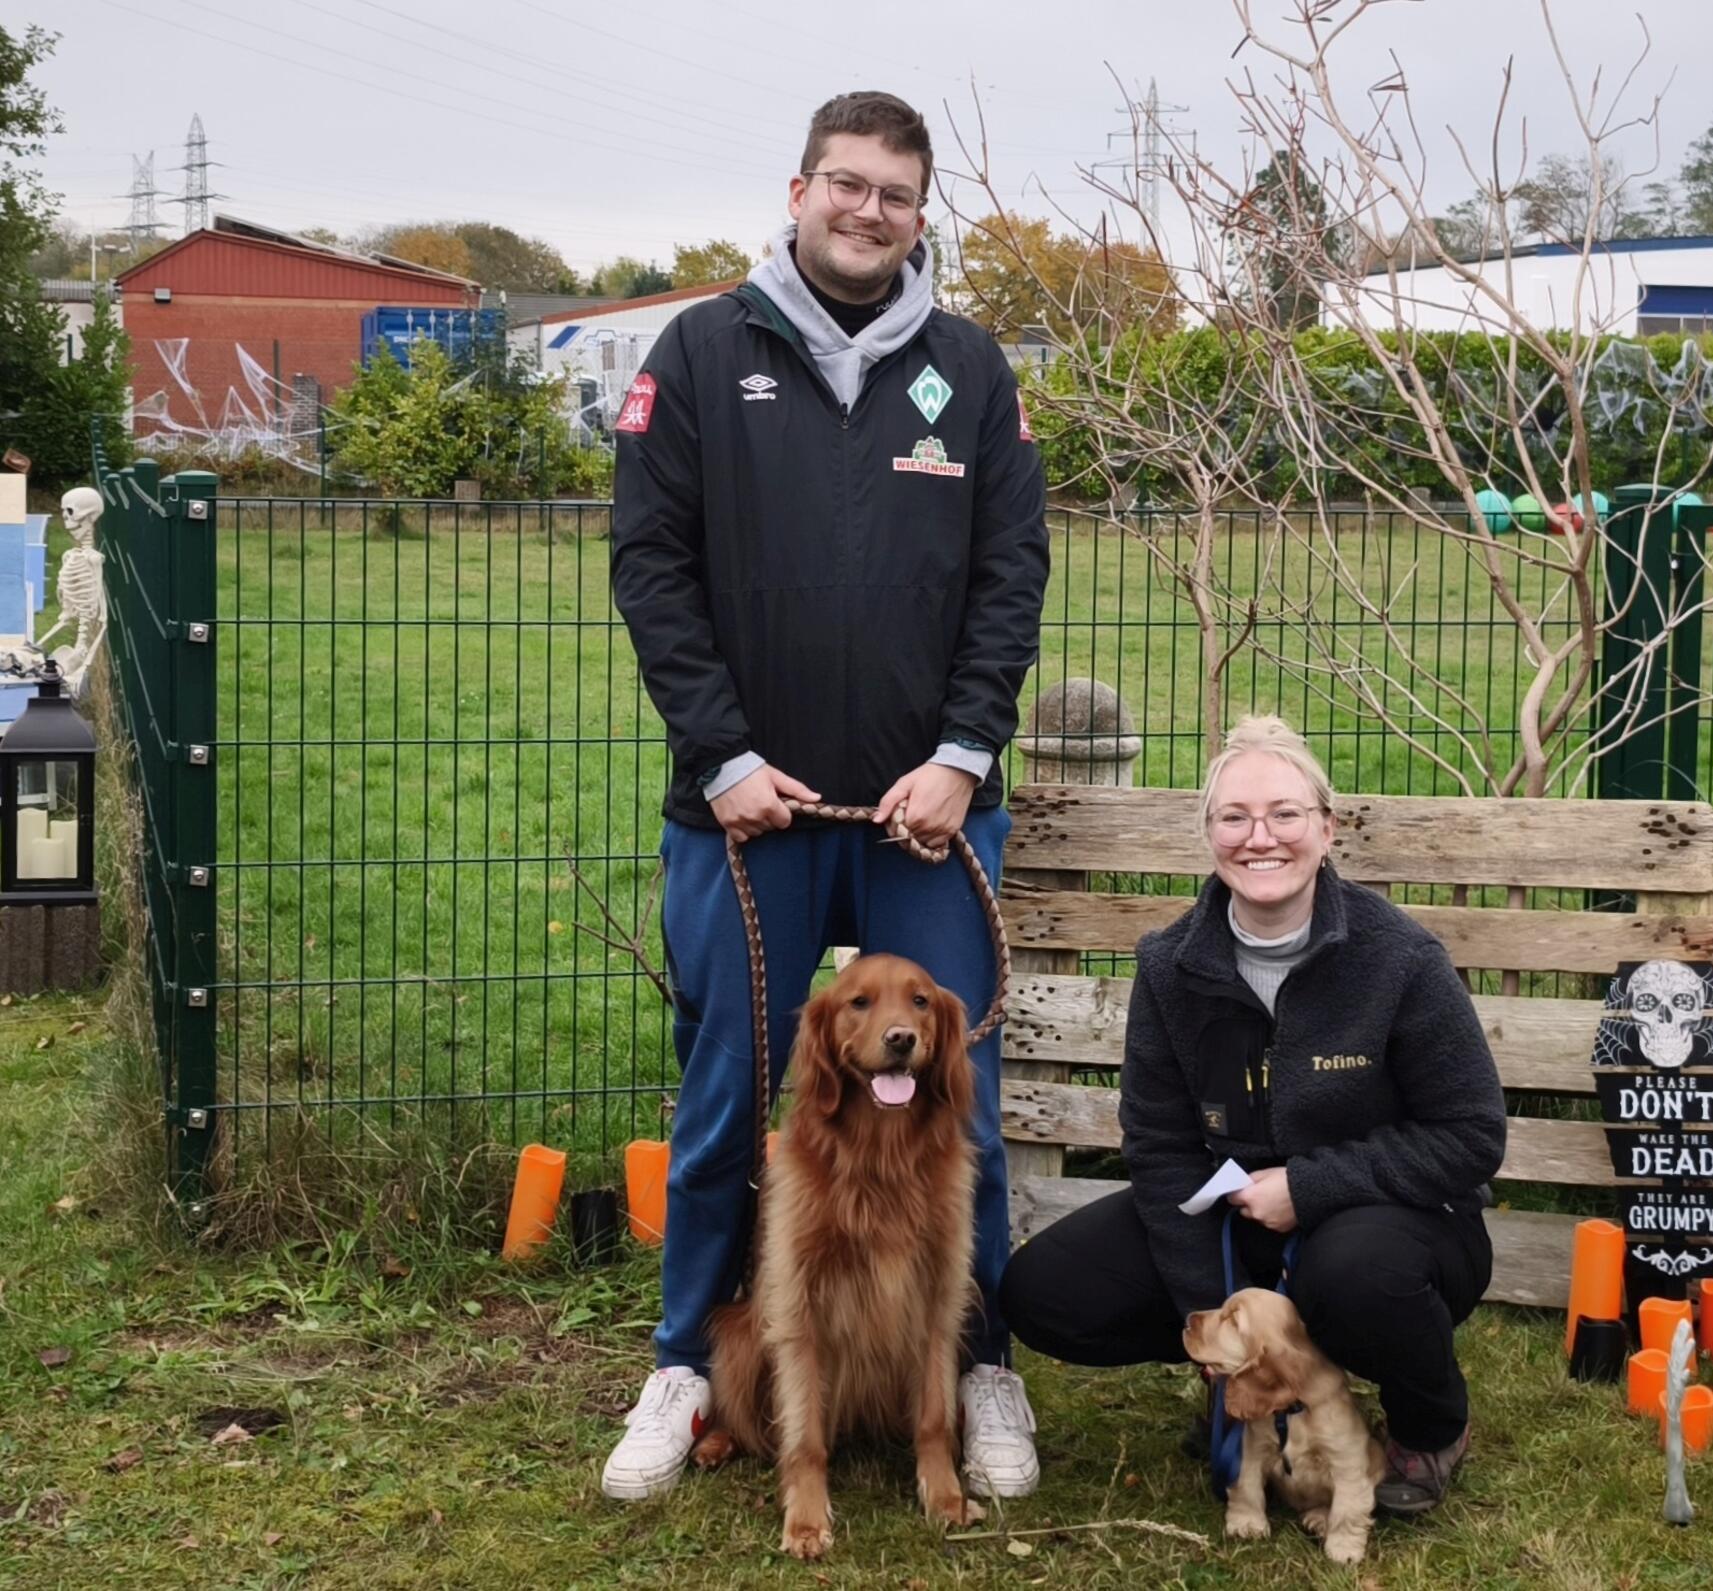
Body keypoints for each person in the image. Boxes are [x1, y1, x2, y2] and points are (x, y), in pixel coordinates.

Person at [603, 90, 1050, 1504]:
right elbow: (650, 569)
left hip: (924, 816)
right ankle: (684, 1360)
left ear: (924, 216)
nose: (869, 213)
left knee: (950, 1103)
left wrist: (965, 752)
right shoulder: (697, 352)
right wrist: (725, 759)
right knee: (733, 1095)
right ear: (796, 188)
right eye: (846, 186)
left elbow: (1009, 578)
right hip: (753, 820)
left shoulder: (972, 372)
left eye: (897, 196)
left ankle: (976, 1362)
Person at [999, 716, 1507, 1516]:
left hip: (1395, 1227)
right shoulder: (1171, 967)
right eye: (1234, 817)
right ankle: (1265, 1390)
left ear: (1327, 828)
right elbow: (1162, 1147)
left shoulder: (1400, 959)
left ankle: (1431, 1423)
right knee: (1044, 1290)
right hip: (1237, 1223)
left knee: (1355, 1274)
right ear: (1208, 834)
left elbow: (1472, 1135)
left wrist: (1308, 1186)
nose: (1258, 837)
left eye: (1284, 814)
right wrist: (1222, 1330)